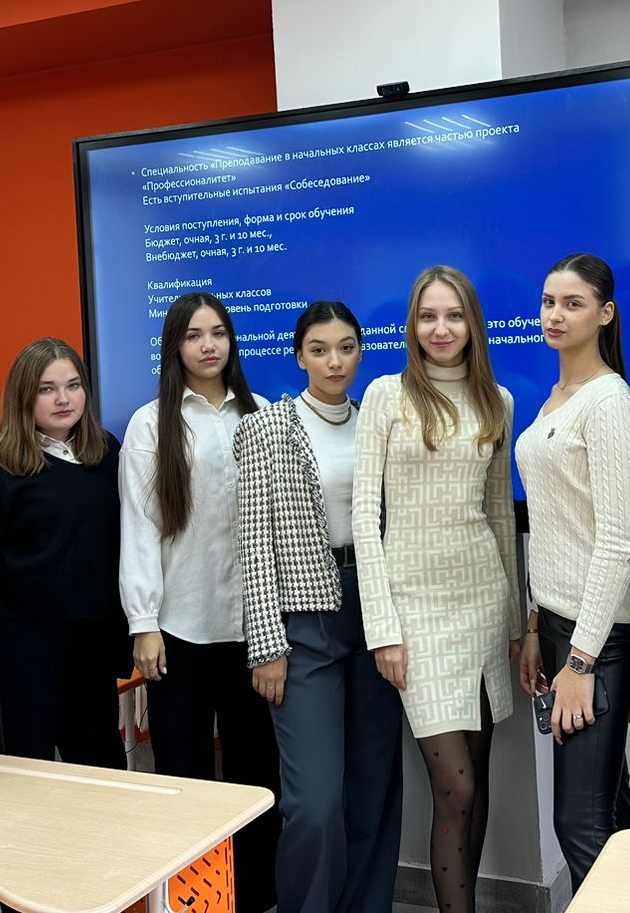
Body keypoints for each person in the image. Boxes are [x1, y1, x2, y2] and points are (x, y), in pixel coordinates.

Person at [353, 264, 521, 913]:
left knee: (476, 780)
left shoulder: (497, 400)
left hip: (481, 601)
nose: (441, 329)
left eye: (453, 316)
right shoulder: (386, 396)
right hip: (414, 612)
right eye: (428, 316)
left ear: (472, 323)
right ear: (412, 325)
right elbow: (365, 519)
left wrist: (516, 622)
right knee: (455, 787)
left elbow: (500, 514)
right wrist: (383, 630)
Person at [235, 301, 404, 913]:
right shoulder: (267, 428)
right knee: (314, 802)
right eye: (319, 349)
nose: (335, 361)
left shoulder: (380, 422)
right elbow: (252, 543)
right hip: (303, 622)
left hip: (376, 609)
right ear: (299, 356)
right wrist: (266, 644)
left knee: (373, 785)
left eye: (347, 347)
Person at [120, 291, 280, 911]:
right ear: (174, 346)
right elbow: (140, 528)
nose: (208, 345)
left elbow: (278, 528)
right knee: (183, 778)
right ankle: (187, 901)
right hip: (178, 631)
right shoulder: (150, 424)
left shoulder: (261, 416)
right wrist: (144, 622)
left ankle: (254, 897)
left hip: (253, 630)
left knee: (255, 776)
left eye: (218, 333)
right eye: (193, 335)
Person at [514, 254, 630, 890]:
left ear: (605, 313)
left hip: (600, 636)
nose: (556, 315)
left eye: (573, 303)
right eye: (548, 302)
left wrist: (581, 660)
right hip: (562, 624)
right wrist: (536, 625)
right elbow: (557, 528)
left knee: (580, 825)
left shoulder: (608, 401)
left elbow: (617, 543)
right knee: (611, 813)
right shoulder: (558, 397)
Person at [0, 338, 130, 769]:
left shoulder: (107, 454)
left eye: (73, 385)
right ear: (23, 396)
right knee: (24, 768)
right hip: (21, 648)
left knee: (101, 767)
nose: (63, 399)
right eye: (46, 389)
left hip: (91, 644)